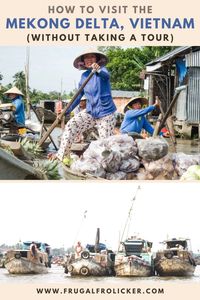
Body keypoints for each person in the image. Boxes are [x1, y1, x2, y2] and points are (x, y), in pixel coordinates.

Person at [49, 49, 116, 161]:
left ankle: (106, 168)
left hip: (106, 113)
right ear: (83, 62)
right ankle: (62, 155)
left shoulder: (102, 70)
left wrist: (98, 70)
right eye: (86, 58)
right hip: (91, 112)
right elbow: (78, 96)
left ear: (97, 59)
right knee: (71, 125)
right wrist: (66, 110)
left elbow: (107, 76)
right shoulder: (84, 76)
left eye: (92, 57)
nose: (89, 59)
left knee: (105, 146)